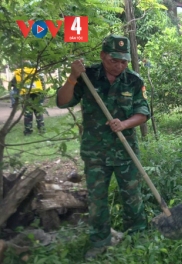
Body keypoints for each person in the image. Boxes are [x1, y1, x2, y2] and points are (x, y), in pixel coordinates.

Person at [56, 34, 150, 259]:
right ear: (102, 56)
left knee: (132, 195)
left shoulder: (134, 81)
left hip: (125, 150)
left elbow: (144, 112)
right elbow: (62, 101)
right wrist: (72, 77)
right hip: (95, 151)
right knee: (97, 199)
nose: (119, 65)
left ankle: (136, 236)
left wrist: (124, 123)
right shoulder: (87, 77)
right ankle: (99, 240)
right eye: (113, 60)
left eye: (124, 61)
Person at [10, 62, 45, 135]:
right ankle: (42, 130)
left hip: (26, 95)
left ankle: (28, 131)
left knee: (28, 114)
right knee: (39, 113)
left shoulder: (19, 73)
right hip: (38, 94)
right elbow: (42, 83)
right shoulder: (36, 71)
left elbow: (13, 84)